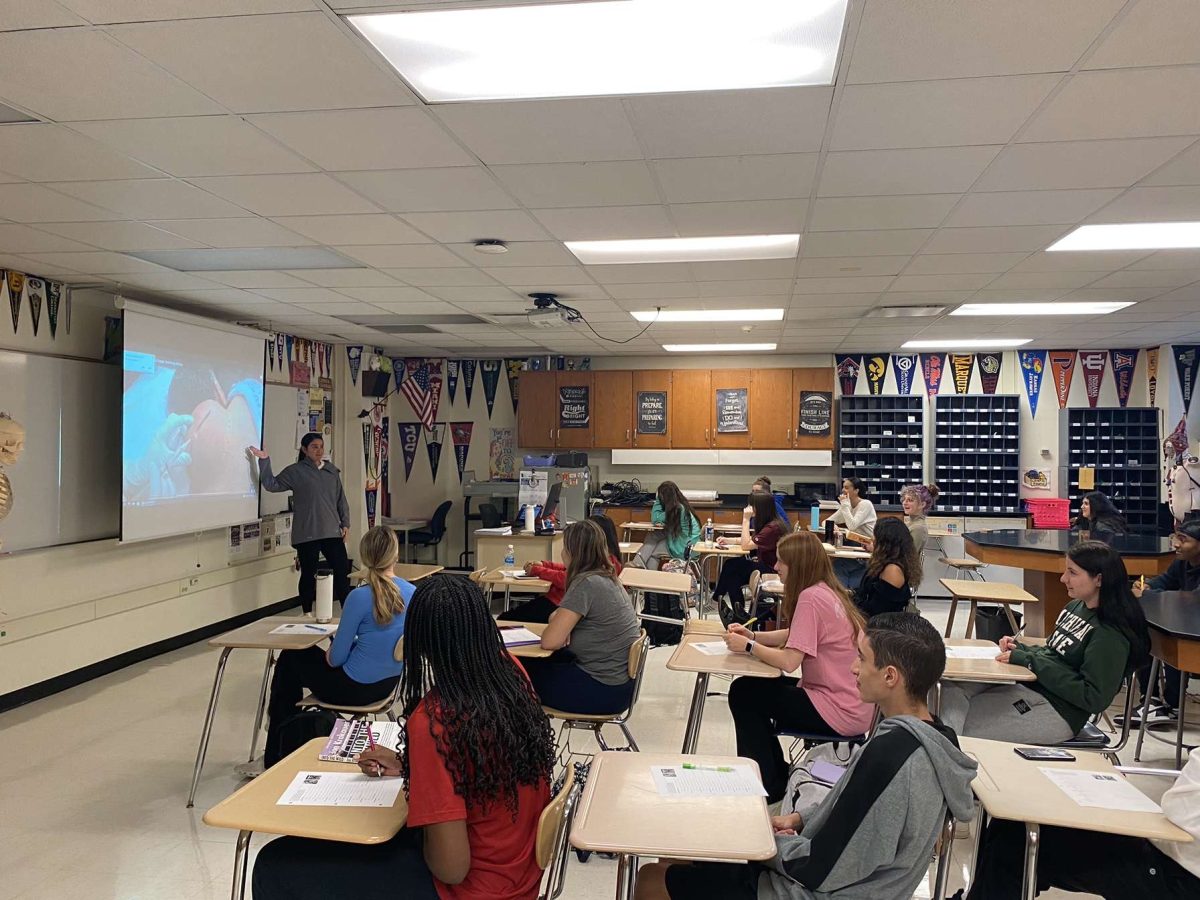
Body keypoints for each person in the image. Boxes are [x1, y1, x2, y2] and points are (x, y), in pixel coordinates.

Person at [636, 612, 977, 900]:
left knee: (652, 880)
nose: (853, 668)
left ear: (890, 676)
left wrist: (765, 843)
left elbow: (820, 869)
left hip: (824, 890)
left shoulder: (893, 757)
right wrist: (801, 820)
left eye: (861, 658)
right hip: (848, 880)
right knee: (681, 854)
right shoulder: (933, 737)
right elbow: (859, 811)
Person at [252, 576, 556, 900]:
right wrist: (411, 765)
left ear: (419, 643)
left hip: (470, 891)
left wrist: (426, 790)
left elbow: (451, 868)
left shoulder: (436, 721)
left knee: (274, 863)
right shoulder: (511, 675)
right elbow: (482, 762)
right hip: (518, 874)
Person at [940, 540, 1150, 743]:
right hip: (1032, 688)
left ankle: (945, 752)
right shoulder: (1076, 606)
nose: (1063, 579)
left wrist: (1031, 661)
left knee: (955, 729)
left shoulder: (1109, 634)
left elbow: (1094, 698)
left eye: (1073, 573)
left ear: (1099, 579)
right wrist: (1022, 649)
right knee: (946, 688)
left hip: (1056, 711)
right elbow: (1055, 653)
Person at [723, 531, 874, 803]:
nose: (776, 567)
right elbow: (795, 635)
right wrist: (753, 636)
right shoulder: (826, 591)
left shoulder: (810, 598)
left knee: (743, 694)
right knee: (750, 689)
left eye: (781, 562)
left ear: (798, 565)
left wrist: (747, 647)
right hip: (849, 702)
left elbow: (790, 661)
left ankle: (766, 782)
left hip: (837, 709)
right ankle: (772, 774)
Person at [964, 746, 1200, 900]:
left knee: (1017, 841)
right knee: (1014, 824)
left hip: (1177, 875)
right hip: (1170, 851)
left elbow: (1179, 810)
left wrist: (1031, 665)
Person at [263, 526, 414, 766]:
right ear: (395, 556)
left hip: (353, 688)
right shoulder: (413, 593)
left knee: (291, 659)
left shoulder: (359, 597)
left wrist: (339, 647)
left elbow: (335, 660)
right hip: (388, 686)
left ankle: (277, 750)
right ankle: (285, 743)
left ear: (365, 557)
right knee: (297, 662)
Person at [520, 519, 641, 715]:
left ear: (571, 552)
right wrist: (561, 625)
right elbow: (555, 615)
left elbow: (549, 641)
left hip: (599, 689)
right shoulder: (607, 577)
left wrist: (559, 628)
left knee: (511, 675)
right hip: (618, 687)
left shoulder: (586, 584)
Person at [250, 434, 351, 615]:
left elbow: (340, 499)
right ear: (304, 450)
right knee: (308, 574)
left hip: (331, 530)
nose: (318, 450)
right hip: (307, 532)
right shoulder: (295, 471)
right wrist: (264, 460)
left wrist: (345, 523)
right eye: (314, 447)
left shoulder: (331, 471)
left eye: (321, 446)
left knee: (342, 570)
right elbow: (272, 484)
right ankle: (306, 612)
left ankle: (348, 611)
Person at [1122, 515, 1200, 729]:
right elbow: (1165, 582)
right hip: (1183, 620)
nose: (1176, 544)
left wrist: (1152, 594)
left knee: (1172, 646)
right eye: (1176, 537)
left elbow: (1192, 598)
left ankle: (1172, 704)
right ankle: (1151, 700)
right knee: (1145, 636)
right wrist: (1148, 586)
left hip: (1193, 632)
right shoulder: (1182, 563)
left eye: (1183, 539)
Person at [504, 515, 624, 625]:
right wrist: (545, 565)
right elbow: (570, 569)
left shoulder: (599, 569)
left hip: (561, 604)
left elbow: (566, 578)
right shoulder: (606, 560)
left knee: (506, 620)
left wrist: (537, 570)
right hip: (561, 604)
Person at [714, 491, 791, 612]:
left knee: (732, 569)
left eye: (751, 505)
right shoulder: (769, 523)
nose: (748, 508)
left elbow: (746, 545)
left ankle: (723, 601)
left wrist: (745, 520)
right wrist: (729, 540)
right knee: (732, 570)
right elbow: (752, 540)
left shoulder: (772, 528)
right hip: (765, 564)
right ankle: (734, 607)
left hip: (772, 568)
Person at [853, 518, 921, 618]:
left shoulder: (892, 570)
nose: (872, 539)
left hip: (880, 627)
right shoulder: (888, 562)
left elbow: (877, 610)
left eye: (875, 536)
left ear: (885, 542)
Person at [635, 481, 701, 569]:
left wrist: (658, 500)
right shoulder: (681, 506)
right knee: (653, 535)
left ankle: (639, 568)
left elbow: (655, 519)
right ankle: (637, 565)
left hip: (685, 548)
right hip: (687, 543)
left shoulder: (677, 509)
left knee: (653, 553)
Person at [898, 483, 939, 554]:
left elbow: (907, 555)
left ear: (922, 504)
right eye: (904, 499)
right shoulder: (910, 524)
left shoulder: (918, 528)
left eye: (910, 500)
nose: (905, 503)